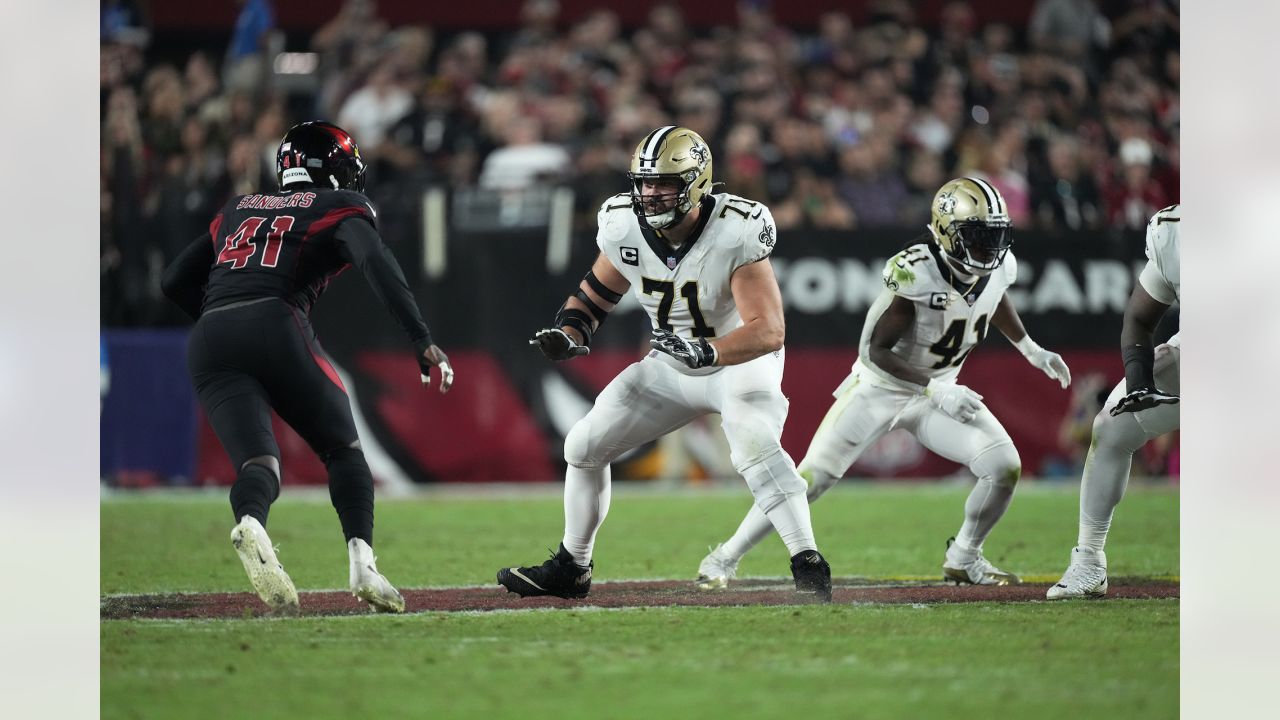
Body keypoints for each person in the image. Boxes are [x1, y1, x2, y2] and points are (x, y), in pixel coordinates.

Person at [496, 125, 834, 602]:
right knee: (584, 444)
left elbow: (768, 329)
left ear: (696, 183)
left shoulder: (735, 227)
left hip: (737, 360)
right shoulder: (621, 222)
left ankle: (808, 563)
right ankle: (573, 566)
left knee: (754, 444)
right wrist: (571, 332)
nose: (650, 194)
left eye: (664, 184)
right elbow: (595, 293)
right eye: (644, 183)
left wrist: (710, 351)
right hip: (673, 363)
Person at [696, 177, 1073, 589]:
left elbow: (993, 294)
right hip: (880, 388)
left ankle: (964, 556)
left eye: (995, 237)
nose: (991, 249)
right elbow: (875, 351)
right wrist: (935, 388)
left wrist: (1030, 348)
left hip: (937, 392)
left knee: (1003, 467)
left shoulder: (999, 266)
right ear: (948, 232)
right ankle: (724, 557)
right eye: (978, 237)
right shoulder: (915, 271)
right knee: (809, 479)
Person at [160, 121, 454, 614]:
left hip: (210, 337)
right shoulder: (340, 206)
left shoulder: (239, 207)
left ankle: (252, 523)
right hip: (275, 321)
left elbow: (173, 281)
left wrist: (227, 321)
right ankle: (363, 566)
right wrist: (421, 338)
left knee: (258, 464)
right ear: (338, 170)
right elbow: (375, 263)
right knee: (343, 449)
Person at [1047, 204, 1179, 599]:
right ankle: (1088, 562)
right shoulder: (1174, 232)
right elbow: (1139, 318)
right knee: (1111, 428)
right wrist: (1139, 383)